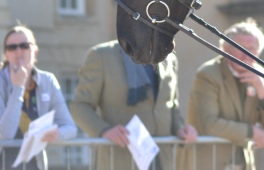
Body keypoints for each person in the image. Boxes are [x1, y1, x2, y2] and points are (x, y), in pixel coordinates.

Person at [70, 40, 197, 170]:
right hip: (120, 161)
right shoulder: (101, 55)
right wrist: (104, 130)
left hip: (162, 162)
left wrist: (180, 128)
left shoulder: (169, 59)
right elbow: (79, 106)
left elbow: (170, 105)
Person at [185, 18, 264, 170]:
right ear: (226, 49)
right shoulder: (208, 74)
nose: (247, 55)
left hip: (244, 164)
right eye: (241, 48)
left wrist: (262, 90)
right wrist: (252, 132)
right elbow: (209, 124)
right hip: (208, 163)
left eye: (252, 49)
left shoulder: (261, 75)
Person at [0, 25, 77, 170]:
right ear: (6, 54)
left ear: (34, 51)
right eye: (12, 47)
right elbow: (5, 134)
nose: (18, 51)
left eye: (24, 46)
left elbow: (70, 127)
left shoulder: (47, 80)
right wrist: (18, 87)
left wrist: (57, 134)